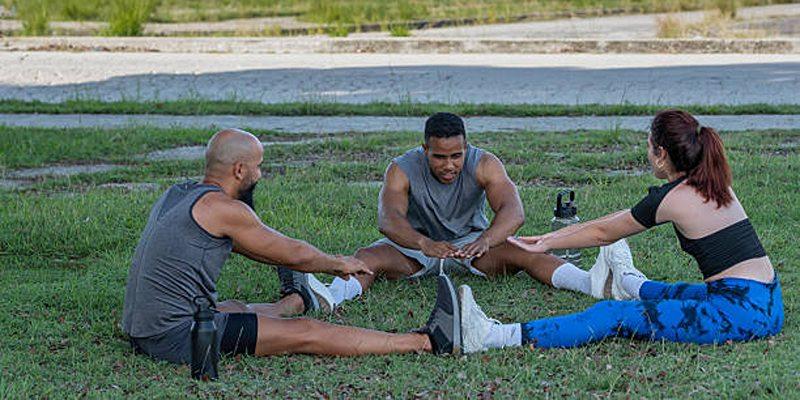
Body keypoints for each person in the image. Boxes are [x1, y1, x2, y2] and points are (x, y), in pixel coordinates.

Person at [121, 128, 462, 364]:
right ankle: (428, 340)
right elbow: (293, 254)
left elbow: (256, 249)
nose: (259, 175)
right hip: (181, 336)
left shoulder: (178, 194)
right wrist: (338, 263)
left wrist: (293, 264)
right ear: (239, 170)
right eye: (258, 167)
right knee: (306, 332)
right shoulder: (222, 209)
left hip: (143, 328)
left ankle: (296, 301)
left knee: (238, 308)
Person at [456, 109, 783, 353]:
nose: (647, 153)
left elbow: (604, 232)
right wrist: (550, 239)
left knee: (613, 315)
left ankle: (491, 336)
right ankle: (627, 283)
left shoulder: (673, 199)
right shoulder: (714, 181)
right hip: (766, 299)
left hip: (740, 314)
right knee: (674, 292)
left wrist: (545, 243)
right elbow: (618, 218)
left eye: (649, 146)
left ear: (661, 154)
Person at [324, 112, 613, 309]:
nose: (449, 165)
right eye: (439, 157)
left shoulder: (485, 163)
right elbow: (388, 219)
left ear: (466, 147)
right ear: (425, 149)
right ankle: (330, 297)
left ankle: (589, 283)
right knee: (366, 257)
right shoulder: (401, 168)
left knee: (528, 250)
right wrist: (424, 243)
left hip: (472, 246)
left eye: (456, 156)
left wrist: (486, 240)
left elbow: (513, 212)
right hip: (414, 248)